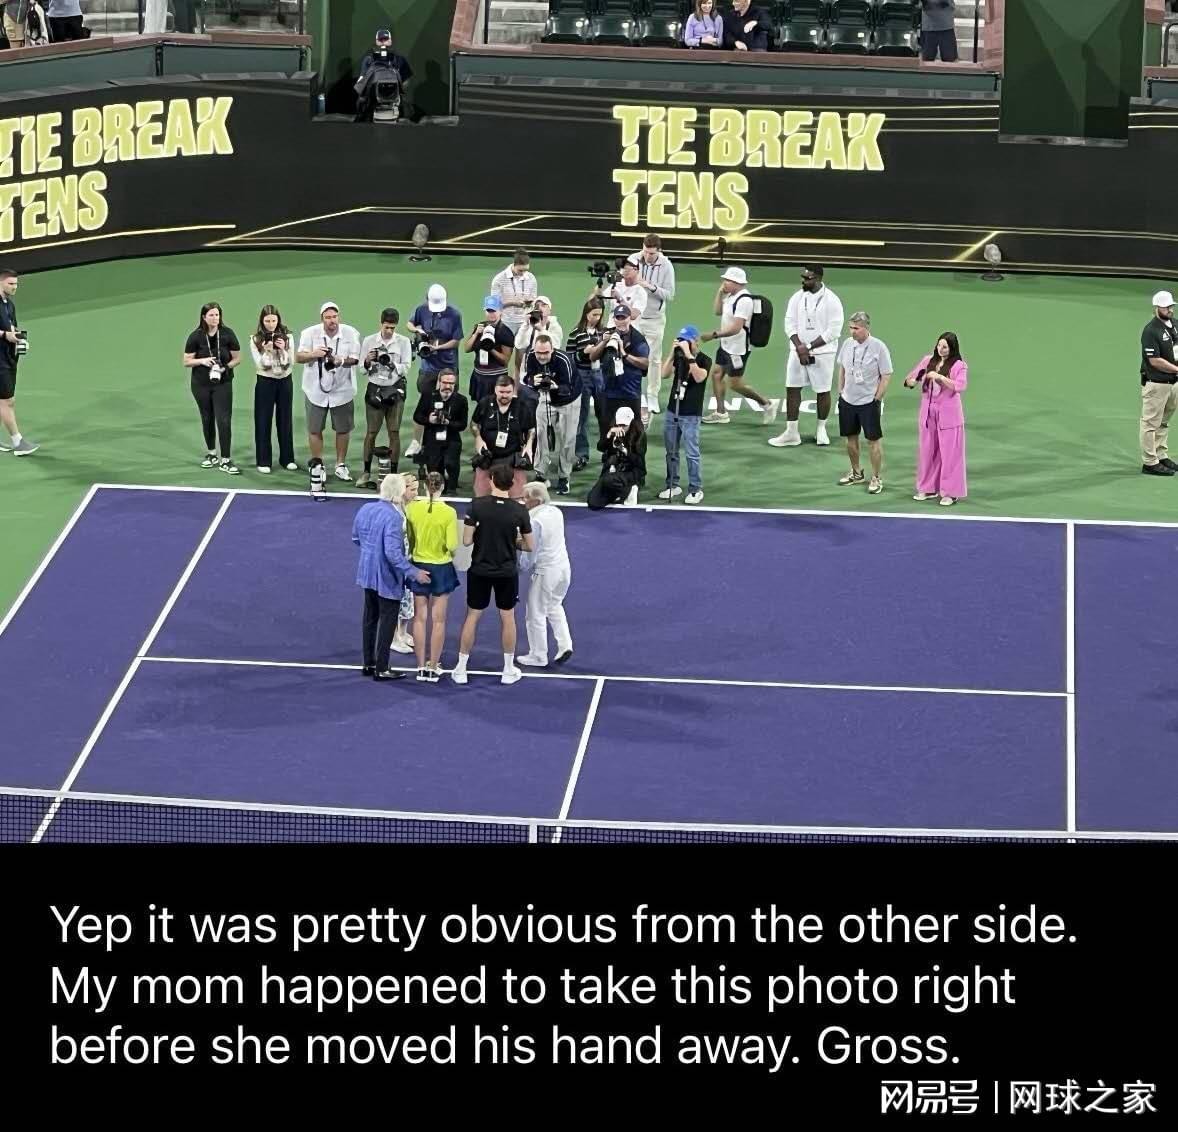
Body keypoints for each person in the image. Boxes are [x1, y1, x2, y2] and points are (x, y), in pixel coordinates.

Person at [452, 463, 534, 686]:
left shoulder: (476, 506)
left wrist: (483, 533)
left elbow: (466, 540)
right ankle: (508, 670)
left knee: (472, 616)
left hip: (479, 570)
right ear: (512, 483)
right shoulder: (519, 511)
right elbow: (529, 545)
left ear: (491, 481)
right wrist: (511, 540)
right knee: (507, 617)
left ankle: (461, 669)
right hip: (506, 572)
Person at [352, 473, 429, 682]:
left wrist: (371, 552)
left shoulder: (366, 509)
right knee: (388, 621)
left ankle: (368, 663)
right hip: (386, 576)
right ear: (399, 491)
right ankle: (382, 667)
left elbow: (356, 538)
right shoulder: (394, 517)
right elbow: (393, 554)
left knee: (370, 618)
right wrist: (414, 572)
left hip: (367, 572)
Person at [770, 265, 845, 448]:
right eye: (803, 277)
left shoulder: (832, 300)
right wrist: (799, 347)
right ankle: (791, 433)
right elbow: (789, 323)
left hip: (823, 353)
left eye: (808, 278)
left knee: (822, 391)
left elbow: (834, 331)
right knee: (792, 388)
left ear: (818, 279)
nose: (803, 281)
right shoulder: (797, 297)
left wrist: (809, 347)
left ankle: (821, 429)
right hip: (797, 351)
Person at [296, 301, 361, 482]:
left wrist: (340, 361)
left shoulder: (351, 333)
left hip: (343, 391)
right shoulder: (309, 333)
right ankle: (318, 465)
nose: (332, 320)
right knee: (315, 429)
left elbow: (355, 359)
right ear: (322, 319)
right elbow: (299, 357)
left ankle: (340, 465)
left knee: (343, 429)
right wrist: (313, 354)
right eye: (328, 317)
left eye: (334, 317)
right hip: (315, 391)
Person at [700, 266, 773, 425]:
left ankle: (766, 403)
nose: (724, 283)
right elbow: (718, 311)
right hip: (726, 345)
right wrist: (720, 293)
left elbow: (736, 328)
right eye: (724, 280)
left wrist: (713, 335)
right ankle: (721, 413)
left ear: (738, 283)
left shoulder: (744, 301)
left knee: (735, 383)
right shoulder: (730, 296)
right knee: (717, 374)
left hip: (738, 349)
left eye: (728, 280)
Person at [406, 471, 460, 682]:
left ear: (424, 486)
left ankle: (420, 667)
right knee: (439, 620)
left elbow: (410, 539)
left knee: (419, 617)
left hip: (418, 566)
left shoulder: (412, 509)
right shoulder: (449, 512)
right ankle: (433, 666)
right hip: (441, 568)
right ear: (442, 487)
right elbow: (452, 545)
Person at [903, 330, 969, 505]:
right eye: (939, 345)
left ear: (952, 348)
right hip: (928, 415)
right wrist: (911, 382)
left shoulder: (959, 366)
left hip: (949, 416)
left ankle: (950, 492)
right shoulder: (928, 361)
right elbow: (911, 378)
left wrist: (940, 377)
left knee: (950, 454)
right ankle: (928, 488)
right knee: (927, 452)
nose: (941, 349)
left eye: (945, 347)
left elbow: (960, 386)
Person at [835, 312, 893, 496]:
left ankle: (876, 477)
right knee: (850, 439)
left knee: (873, 442)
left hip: (868, 402)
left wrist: (877, 398)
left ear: (866, 328)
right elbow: (842, 368)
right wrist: (840, 390)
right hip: (848, 400)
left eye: (856, 328)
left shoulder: (879, 347)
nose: (852, 331)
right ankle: (856, 472)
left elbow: (886, 375)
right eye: (850, 328)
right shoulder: (847, 344)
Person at [517, 481, 573, 667]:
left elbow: (530, 550)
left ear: (537, 500)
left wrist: (520, 567)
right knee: (554, 605)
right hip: (563, 569)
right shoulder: (556, 511)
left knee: (535, 613)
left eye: (526, 498)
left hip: (546, 572)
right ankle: (565, 645)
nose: (522, 501)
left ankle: (538, 655)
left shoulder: (534, 521)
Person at [183, 301, 242, 474]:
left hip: (223, 383)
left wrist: (225, 368)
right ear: (204, 317)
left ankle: (226, 460)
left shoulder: (227, 334)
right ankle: (211, 454)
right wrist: (202, 361)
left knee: (223, 420)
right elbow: (186, 361)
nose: (215, 318)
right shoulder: (196, 336)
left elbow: (237, 358)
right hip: (201, 384)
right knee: (207, 418)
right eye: (211, 315)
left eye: (217, 315)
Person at [405, 284, 463, 457]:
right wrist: (417, 330)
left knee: (449, 405)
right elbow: (409, 323)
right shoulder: (421, 310)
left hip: (448, 367)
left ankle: (447, 442)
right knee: (424, 405)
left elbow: (456, 341)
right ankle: (416, 442)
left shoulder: (454, 314)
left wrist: (438, 348)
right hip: (428, 368)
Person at [357, 307, 412, 488]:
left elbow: (406, 367)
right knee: (371, 432)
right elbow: (361, 369)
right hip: (375, 389)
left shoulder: (403, 342)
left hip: (394, 389)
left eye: (392, 328)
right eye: (386, 327)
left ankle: (394, 474)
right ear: (381, 324)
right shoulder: (369, 341)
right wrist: (368, 360)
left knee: (394, 432)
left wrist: (391, 363)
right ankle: (366, 472)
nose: (389, 331)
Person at [523, 333, 582, 495]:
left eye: (545, 353)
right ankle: (540, 473)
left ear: (552, 350)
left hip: (568, 400)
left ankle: (564, 477)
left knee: (568, 439)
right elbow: (527, 378)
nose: (542, 356)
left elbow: (568, 388)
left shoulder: (564, 360)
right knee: (541, 435)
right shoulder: (531, 356)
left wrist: (555, 386)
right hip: (545, 396)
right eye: (539, 353)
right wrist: (532, 381)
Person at [658, 325, 709, 505]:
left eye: (686, 341)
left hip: (691, 415)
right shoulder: (678, 358)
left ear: (696, 341)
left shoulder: (704, 360)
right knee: (671, 451)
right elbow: (664, 374)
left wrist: (688, 354)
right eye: (681, 340)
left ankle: (695, 489)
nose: (683, 344)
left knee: (691, 453)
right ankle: (673, 484)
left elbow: (700, 377)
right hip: (673, 411)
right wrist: (672, 355)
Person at [470, 372, 537, 497]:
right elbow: (474, 424)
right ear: (495, 390)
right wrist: (478, 438)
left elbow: (531, 429)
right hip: (488, 455)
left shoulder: (522, 406)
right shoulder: (485, 403)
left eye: (508, 392)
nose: (505, 395)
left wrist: (529, 444)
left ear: (513, 391)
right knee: (482, 496)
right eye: (501, 392)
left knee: (518, 497)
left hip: (512, 456)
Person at [249, 304, 297, 475]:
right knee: (263, 420)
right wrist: (267, 352)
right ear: (262, 321)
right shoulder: (255, 339)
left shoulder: (288, 337)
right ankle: (263, 460)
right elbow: (260, 365)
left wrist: (282, 349)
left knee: (285, 420)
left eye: (274, 320)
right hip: (265, 382)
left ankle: (287, 459)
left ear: (278, 320)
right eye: (267, 321)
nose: (271, 324)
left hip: (285, 381)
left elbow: (291, 362)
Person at [634, 234, 676, 422]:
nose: (648, 256)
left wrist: (649, 286)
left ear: (659, 251)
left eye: (652, 253)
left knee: (654, 359)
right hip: (634, 317)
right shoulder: (633, 259)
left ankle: (652, 396)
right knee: (630, 356)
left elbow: (670, 294)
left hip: (654, 319)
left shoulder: (666, 266)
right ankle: (633, 393)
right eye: (645, 251)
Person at [1138, 290, 1178, 477]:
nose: (1170, 310)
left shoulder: (1175, 325)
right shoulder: (1150, 331)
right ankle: (1150, 461)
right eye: (1166, 307)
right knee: (1150, 424)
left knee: (1163, 421)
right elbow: (1155, 361)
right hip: (1156, 383)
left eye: (1171, 306)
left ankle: (1161, 455)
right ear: (1157, 308)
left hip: (1173, 383)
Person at [588, 304, 648, 427]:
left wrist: (624, 354)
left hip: (630, 393)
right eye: (618, 318)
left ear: (629, 318)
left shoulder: (638, 339)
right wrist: (604, 342)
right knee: (608, 429)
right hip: (609, 393)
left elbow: (644, 364)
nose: (621, 321)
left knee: (633, 430)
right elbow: (593, 357)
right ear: (614, 319)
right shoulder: (607, 334)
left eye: (623, 318)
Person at [412, 367, 468, 494]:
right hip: (432, 438)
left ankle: (452, 489)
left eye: (451, 383)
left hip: (452, 439)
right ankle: (436, 491)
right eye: (445, 382)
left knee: (451, 464)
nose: (448, 386)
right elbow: (417, 416)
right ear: (439, 382)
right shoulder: (428, 396)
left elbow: (462, 425)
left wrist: (449, 423)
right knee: (434, 470)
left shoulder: (461, 400)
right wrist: (429, 420)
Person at [0, 268, 37, 456]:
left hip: (8, 356)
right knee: (7, 401)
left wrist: (20, 339)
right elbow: (6, 332)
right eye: (11, 284)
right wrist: (5, 335)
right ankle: (18, 442)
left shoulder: (10, 305)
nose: (15, 287)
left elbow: (12, 327)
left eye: (16, 284)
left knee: (3, 400)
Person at [568, 297, 608, 472]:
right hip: (582, 376)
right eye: (594, 315)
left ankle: (608, 452)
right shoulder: (576, 333)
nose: (597, 318)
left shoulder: (604, 333)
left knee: (604, 416)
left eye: (599, 315)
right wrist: (583, 353)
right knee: (581, 417)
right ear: (586, 314)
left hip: (600, 376)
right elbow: (570, 358)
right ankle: (581, 454)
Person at [588, 406, 647, 510]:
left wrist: (624, 450)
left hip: (632, 472)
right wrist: (609, 435)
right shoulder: (613, 429)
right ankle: (621, 493)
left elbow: (640, 464)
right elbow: (600, 447)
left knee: (607, 480)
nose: (621, 427)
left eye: (624, 425)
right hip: (614, 469)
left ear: (631, 422)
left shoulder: (640, 435)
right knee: (593, 502)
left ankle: (630, 489)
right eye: (619, 424)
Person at [465, 294, 515, 405]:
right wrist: (476, 334)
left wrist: (490, 348)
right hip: (479, 377)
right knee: (481, 407)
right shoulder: (479, 327)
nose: (491, 314)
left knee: (495, 407)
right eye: (488, 311)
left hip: (496, 379)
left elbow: (505, 361)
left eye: (494, 311)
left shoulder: (506, 333)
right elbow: (466, 349)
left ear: (500, 311)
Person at [355, 28, 414, 122]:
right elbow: (361, 80)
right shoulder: (369, 60)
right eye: (380, 40)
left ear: (390, 41)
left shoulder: (399, 60)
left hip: (395, 98)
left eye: (385, 39)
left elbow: (407, 80)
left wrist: (397, 90)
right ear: (376, 42)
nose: (383, 42)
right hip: (373, 99)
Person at [390, 471, 419, 654]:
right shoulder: (393, 511)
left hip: (409, 561)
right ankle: (393, 638)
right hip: (396, 563)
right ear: (402, 489)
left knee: (408, 598)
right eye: (412, 489)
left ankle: (402, 632)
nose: (416, 493)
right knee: (394, 600)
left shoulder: (411, 508)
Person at [490, 248, 538, 342]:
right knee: (506, 350)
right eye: (520, 270)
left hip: (525, 322)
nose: (523, 273)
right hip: (506, 322)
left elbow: (534, 299)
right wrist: (512, 302)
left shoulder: (531, 278)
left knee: (522, 350)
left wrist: (529, 301)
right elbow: (493, 305)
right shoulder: (499, 279)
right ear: (514, 265)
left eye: (526, 270)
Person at [512, 295, 564, 382]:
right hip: (529, 373)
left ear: (549, 310)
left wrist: (541, 329)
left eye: (543, 305)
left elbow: (555, 346)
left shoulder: (555, 326)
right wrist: (525, 325)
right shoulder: (529, 326)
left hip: (549, 373)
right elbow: (519, 345)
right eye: (537, 306)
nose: (540, 308)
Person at [596, 259, 647, 329]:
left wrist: (620, 299)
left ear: (636, 271)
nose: (625, 270)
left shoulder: (640, 292)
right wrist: (599, 284)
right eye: (624, 268)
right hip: (611, 328)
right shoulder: (617, 285)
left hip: (629, 331)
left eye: (628, 268)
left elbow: (634, 315)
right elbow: (599, 302)